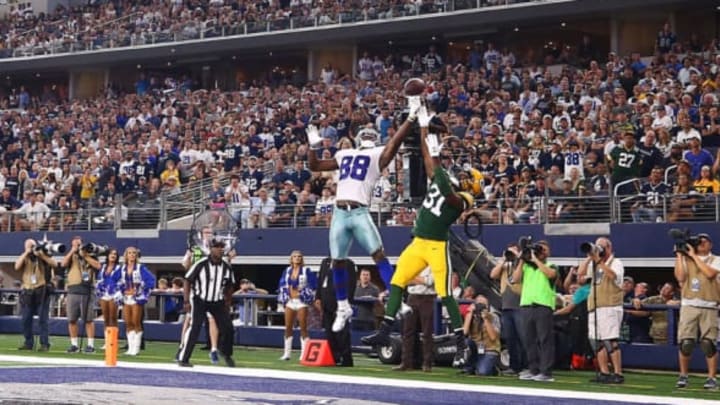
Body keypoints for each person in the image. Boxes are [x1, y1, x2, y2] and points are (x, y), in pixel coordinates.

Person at [361, 106, 475, 370]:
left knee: (445, 292)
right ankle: (385, 329)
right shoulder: (442, 179)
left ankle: (460, 342)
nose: (463, 176)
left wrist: (434, 152)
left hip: (436, 246)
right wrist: (424, 129)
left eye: (468, 178)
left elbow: (447, 191)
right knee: (398, 279)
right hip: (419, 241)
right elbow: (426, 160)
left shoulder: (461, 199)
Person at [307, 96, 421, 333]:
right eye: (365, 135)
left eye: (371, 135)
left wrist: (410, 118)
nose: (368, 137)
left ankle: (395, 299)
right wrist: (312, 145)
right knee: (336, 261)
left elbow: (395, 143)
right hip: (340, 212)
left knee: (379, 255)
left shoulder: (378, 154)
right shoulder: (344, 154)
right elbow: (315, 166)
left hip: (359, 211)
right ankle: (342, 306)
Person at [179, 239, 236, 368]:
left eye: (222, 247)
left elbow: (230, 285)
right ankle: (184, 358)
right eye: (217, 247)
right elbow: (187, 280)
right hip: (200, 299)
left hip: (217, 301)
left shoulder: (226, 267)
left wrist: (227, 302)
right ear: (210, 248)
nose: (220, 249)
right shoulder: (200, 264)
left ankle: (226, 353)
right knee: (195, 328)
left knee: (228, 328)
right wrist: (187, 300)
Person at [674, 233, 719, 390]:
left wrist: (693, 255)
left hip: (710, 304)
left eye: (704, 241)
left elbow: (710, 274)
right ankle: (683, 375)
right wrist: (680, 256)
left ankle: (712, 377)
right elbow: (679, 277)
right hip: (689, 304)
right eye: (699, 241)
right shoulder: (687, 259)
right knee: (686, 343)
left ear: (710, 245)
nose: (701, 243)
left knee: (708, 344)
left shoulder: (716, 259)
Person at [577, 237, 625, 384]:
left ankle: (618, 373)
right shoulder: (594, 263)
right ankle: (604, 372)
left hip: (610, 306)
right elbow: (580, 277)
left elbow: (613, 276)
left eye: (601, 247)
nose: (598, 249)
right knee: (596, 342)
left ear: (608, 248)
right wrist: (589, 257)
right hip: (595, 307)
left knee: (610, 341)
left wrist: (599, 261)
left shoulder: (616, 262)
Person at [511, 239, 557, 382]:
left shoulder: (551, 265)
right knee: (529, 340)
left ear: (547, 252)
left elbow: (550, 275)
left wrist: (535, 259)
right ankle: (534, 369)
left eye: (542, 249)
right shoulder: (527, 267)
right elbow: (515, 279)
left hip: (543, 306)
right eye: (538, 249)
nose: (539, 252)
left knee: (545, 340)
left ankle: (546, 372)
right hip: (526, 306)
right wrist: (522, 260)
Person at [179, 225, 222, 362]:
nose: (208, 234)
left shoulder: (218, 248)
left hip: (212, 287)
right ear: (201, 234)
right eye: (206, 232)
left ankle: (214, 349)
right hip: (196, 286)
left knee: (212, 318)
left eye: (210, 232)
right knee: (189, 319)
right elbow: (185, 265)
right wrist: (189, 257)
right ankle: (182, 347)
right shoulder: (195, 248)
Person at [489, 243, 527, 375]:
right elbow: (493, 275)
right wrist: (503, 260)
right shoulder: (505, 266)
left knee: (523, 337)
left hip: (520, 305)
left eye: (514, 252)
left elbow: (518, 278)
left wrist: (518, 258)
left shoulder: (524, 265)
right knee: (511, 339)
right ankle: (514, 366)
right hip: (506, 306)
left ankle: (527, 366)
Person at [15, 239, 56, 351]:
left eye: (32, 246)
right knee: (26, 319)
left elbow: (54, 264)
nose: (31, 248)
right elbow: (16, 266)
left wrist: (41, 255)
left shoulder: (42, 256)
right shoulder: (25, 257)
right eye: (28, 246)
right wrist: (26, 253)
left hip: (41, 290)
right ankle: (28, 342)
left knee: (43, 319)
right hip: (28, 291)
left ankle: (44, 344)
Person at [61, 236, 101, 353]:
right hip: (73, 289)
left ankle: (90, 345)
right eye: (74, 245)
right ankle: (74, 344)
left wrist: (85, 255)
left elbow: (98, 266)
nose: (77, 247)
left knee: (88, 319)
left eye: (78, 245)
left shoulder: (91, 254)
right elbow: (63, 264)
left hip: (87, 290)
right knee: (72, 319)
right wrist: (72, 251)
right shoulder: (71, 257)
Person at [315, 256, 357, 366]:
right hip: (326, 301)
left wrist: (348, 301)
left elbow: (352, 283)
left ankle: (346, 358)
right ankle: (334, 357)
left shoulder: (348, 263)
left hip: (340, 302)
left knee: (342, 333)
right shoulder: (325, 262)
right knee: (329, 332)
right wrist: (318, 297)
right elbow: (320, 280)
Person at [277, 250, 318, 360]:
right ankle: (287, 354)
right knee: (288, 327)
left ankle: (304, 354)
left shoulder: (306, 270)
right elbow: (282, 285)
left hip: (301, 301)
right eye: (295, 256)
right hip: (290, 301)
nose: (297, 258)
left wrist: (304, 291)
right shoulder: (287, 271)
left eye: (299, 256)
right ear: (291, 258)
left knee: (303, 328)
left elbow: (313, 285)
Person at [395, 267, 436, 372]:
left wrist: (414, 278)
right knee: (408, 331)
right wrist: (421, 280)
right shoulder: (413, 262)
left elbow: (430, 281)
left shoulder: (433, 263)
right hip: (412, 297)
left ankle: (427, 363)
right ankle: (406, 362)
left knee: (427, 332)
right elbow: (405, 280)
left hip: (428, 298)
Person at [117, 247, 155, 356]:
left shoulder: (140, 268)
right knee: (128, 322)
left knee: (136, 322)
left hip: (136, 299)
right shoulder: (122, 268)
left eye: (134, 253)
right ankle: (130, 347)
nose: (132, 255)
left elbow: (151, 280)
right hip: (125, 298)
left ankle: (136, 348)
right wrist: (122, 291)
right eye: (129, 253)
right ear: (126, 255)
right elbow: (116, 281)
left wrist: (139, 290)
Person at [462, 294, 501, 376]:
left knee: (483, 372)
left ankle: (493, 368)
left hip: (490, 349)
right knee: (466, 342)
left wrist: (486, 320)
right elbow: (464, 333)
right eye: (478, 303)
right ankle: (470, 366)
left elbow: (493, 337)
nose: (480, 306)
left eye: (483, 304)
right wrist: (470, 314)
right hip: (476, 349)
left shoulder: (493, 316)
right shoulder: (471, 316)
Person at [95, 248, 121, 350]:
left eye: (115, 254)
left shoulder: (119, 268)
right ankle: (107, 341)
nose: (113, 255)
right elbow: (100, 278)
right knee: (106, 318)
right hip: (103, 293)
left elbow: (120, 280)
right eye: (111, 253)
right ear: (108, 256)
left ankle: (114, 341)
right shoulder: (103, 267)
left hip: (113, 294)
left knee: (113, 318)